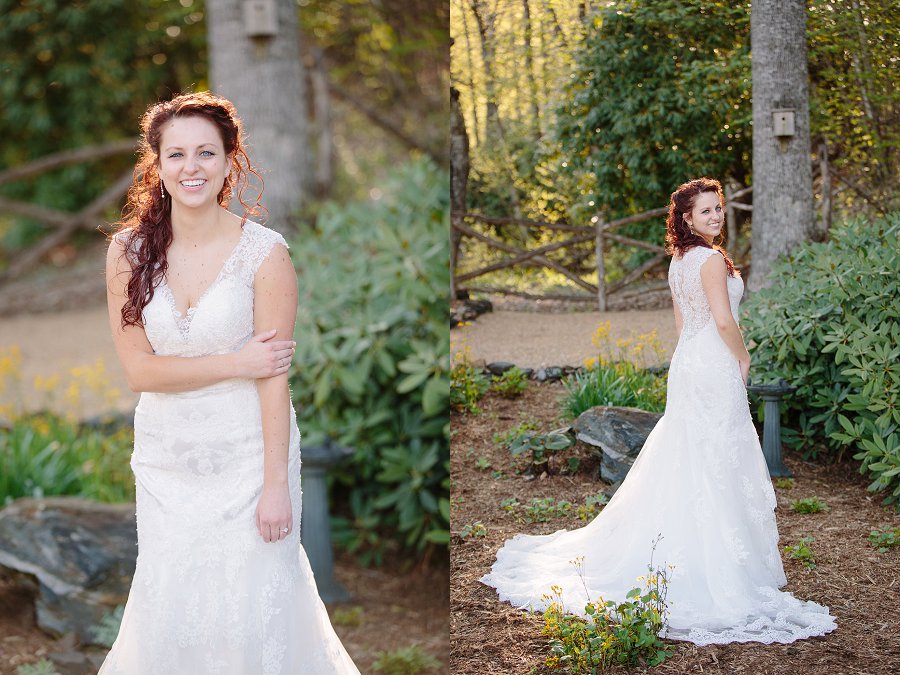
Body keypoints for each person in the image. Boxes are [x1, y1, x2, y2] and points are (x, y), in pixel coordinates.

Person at [480, 178, 837, 645]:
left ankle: (690, 552)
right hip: (712, 363)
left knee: (694, 454)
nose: (715, 217)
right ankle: (714, 569)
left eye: (718, 209)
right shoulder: (707, 260)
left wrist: (700, 354)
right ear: (686, 218)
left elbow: (682, 323)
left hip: (690, 360)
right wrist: (743, 358)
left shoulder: (681, 260)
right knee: (713, 457)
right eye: (705, 212)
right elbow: (724, 321)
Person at [99, 91, 360, 674]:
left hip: (249, 459)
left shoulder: (265, 255)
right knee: (173, 601)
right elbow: (139, 370)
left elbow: (273, 380)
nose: (191, 167)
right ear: (157, 165)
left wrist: (275, 483)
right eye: (176, 155)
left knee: (253, 601)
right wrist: (235, 362)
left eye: (205, 153)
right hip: (167, 460)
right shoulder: (127, 252)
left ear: (228, 161)